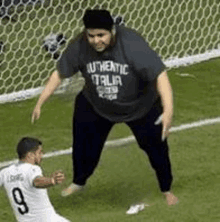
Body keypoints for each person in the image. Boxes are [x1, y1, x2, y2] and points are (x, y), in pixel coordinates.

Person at [32, 9, 178, 205]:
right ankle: (79, 181)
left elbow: (160, 75)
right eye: (91, 35)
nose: (95, 40)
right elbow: (59, 74)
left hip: (140, 106)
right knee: (83, 145)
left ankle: (166, 189)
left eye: (101, 35)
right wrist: (40, 102)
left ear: (113, 31)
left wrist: (168, 110)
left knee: (156, 147)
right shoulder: (80, 45)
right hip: (96, 104)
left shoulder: (132, 45)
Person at [0, 137, 71, 222]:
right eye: (39, 152)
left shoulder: (5, 172)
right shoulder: (32, 169)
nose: (42, 155)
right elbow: (37, 181)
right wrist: (51, 181)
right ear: (30, 155)